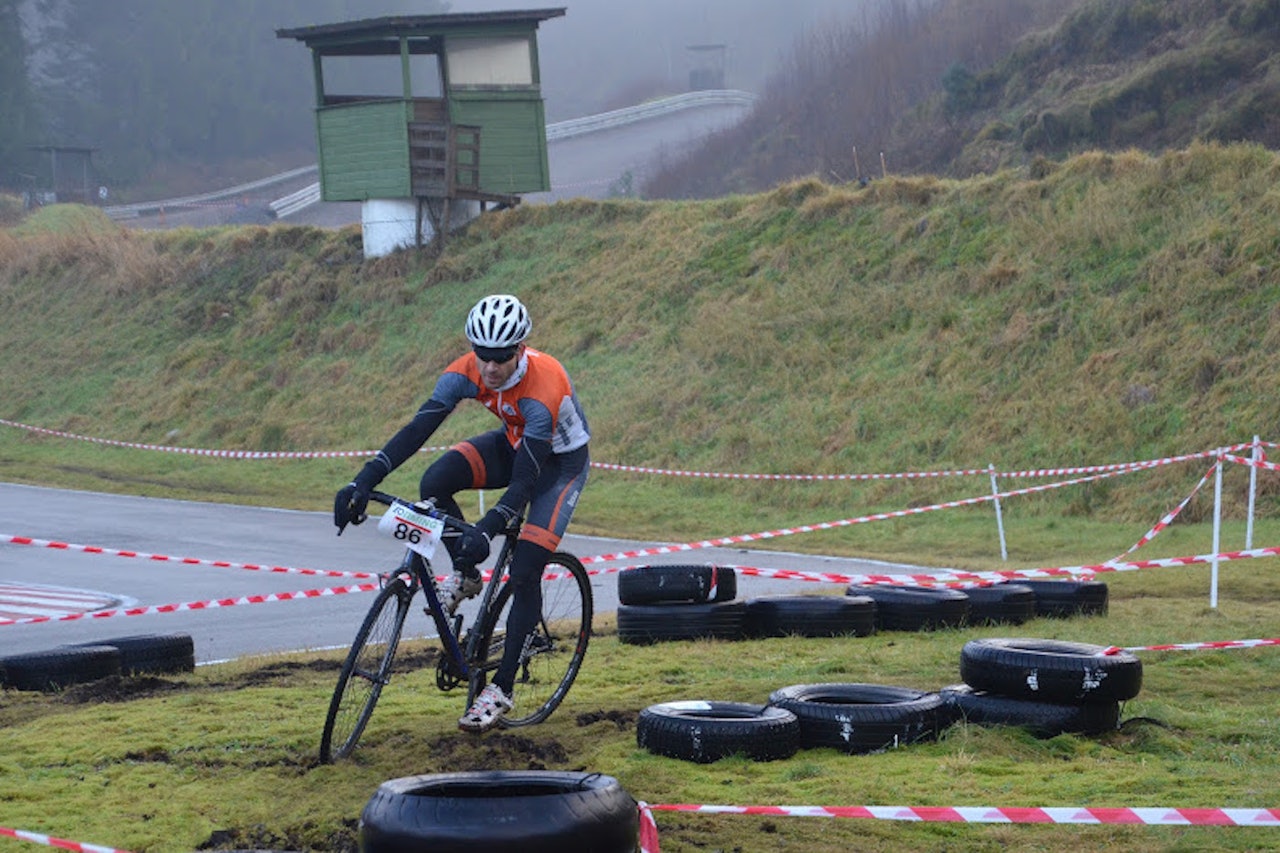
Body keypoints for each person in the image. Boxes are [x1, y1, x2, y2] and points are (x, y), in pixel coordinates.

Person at [333, 293, 590, 733]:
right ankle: (467, 574)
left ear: (521, 349)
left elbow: (526, 482)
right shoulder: (465, 371)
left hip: (557, 466)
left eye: (501, 357)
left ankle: (502, 688)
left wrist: (489, 527)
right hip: (514, 443)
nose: (490, 367)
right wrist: (364, 479)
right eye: (483, 355)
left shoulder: (543, 387)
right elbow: (419, 428)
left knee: (525, 569)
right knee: (435, 482)